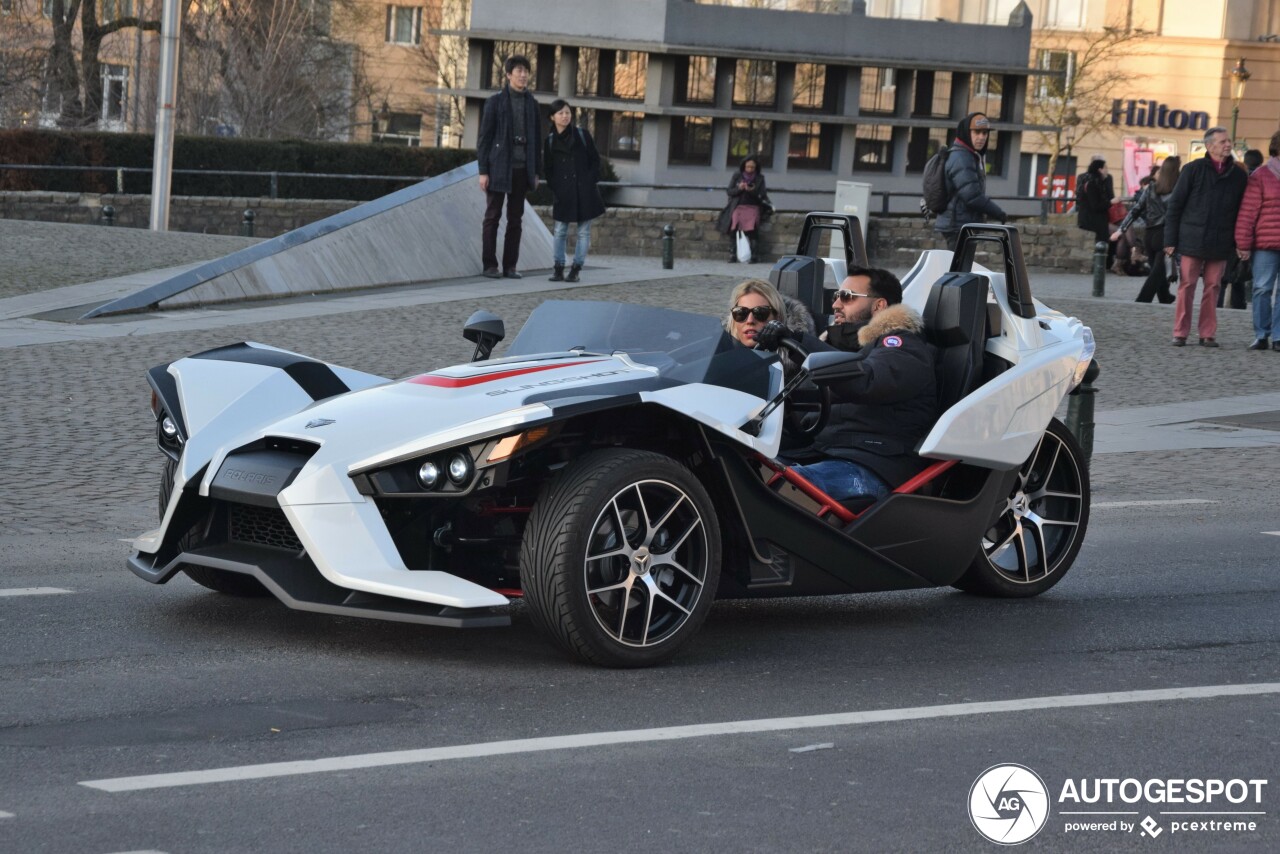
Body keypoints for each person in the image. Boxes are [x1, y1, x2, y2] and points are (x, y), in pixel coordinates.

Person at [753, 267, 938, 502]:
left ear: (879, 305)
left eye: (847, 297)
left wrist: (802, 341)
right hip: (825, 451)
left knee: (780, 486)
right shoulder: (847, 346)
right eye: (835, 297)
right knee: (745, 469)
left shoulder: (902, 345)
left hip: (872, 463)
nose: (836, 304)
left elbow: (868, 380)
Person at [1164, 126, 1248, 347]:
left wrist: (1240, 241)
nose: (1228, 145)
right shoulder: (1193, 169)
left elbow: (1242, 211)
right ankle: (1180, 332)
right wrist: (1170, 240)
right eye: (1222, 142)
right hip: (1192, 237)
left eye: (1229, 141)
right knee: (1187, 284)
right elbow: (1175, 205)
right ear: (1210, 146)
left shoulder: (1238, 175)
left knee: (1213, 286)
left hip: (1221, 240)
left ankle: (1207, 333)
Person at [477, 55, 541, 279]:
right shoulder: (495, 102)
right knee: (492, 215)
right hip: (498, 166)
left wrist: (535, 172)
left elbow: (536, 140)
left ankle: (510, 266)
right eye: (518, 71)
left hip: (522, 168)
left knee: (516, 219)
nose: (523, 75)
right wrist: (483, 171)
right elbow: (484, 138)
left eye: (526, 71)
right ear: (508, 75)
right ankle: (489, 265)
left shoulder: (532, 104)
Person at [543, 99, 606, 283]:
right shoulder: (550, 141)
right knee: (560, 230)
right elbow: (548, 169)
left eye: (568, 113)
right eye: (561, 113)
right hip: (564, 192)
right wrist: (557, 187)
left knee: (584, 232)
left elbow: (595, 160)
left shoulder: (582, 135)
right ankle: (558, 268)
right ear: (552, 117)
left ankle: (576, 269)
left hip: (584, 191)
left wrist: (589, 180)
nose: (565, 116)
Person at [1233, 131, 1280, 351]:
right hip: (1265, 244)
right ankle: (1262, 334)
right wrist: (1243, 243)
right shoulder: (1261, 175)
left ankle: (1279, 337)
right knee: (1262, 288)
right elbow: (1248, 211)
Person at [935, 112, 1006, 251]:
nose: (981, 137)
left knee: (961, 269)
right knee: (958, 271)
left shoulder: (970, 155)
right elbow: (971, 196)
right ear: (967, 133)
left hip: (962, 223)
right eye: (977, 132)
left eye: (985, 133)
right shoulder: (961, 158)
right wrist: (998, 213)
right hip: (957, 225)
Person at [1116, 156, 1180, 303]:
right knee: (1157, 272)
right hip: (1165, 234)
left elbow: (1135, 210)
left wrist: (1121, 229)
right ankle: (1143, 299)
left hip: (1149, 234)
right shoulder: (1177, 190)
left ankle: (1164, 296)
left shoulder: (1151, 187)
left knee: (1158, 269)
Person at [724, 278, 815, 349]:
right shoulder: (718, 350)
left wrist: (793, 340)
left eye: (760, 313)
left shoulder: (798, 353)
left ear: (777, 317)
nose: (750, 320)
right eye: (741, 313)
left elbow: (827, 356)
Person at [716, 156, 771, 264]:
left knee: (752, 230)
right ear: (744, 166)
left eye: (752, 167)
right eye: (748, 167)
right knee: (734, 229)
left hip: (753, 206)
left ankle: (754, 256)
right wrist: (739, 188)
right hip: (738, 206)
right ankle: (732, 255)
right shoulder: (737, 175)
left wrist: (751, 190)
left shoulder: (760, 178)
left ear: (756, 168)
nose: (749, 169)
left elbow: (762, 195)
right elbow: (729, 191)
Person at [1077, 157, 1117, 268]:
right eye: (1106, 168)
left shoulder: (1100, 182)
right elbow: (1095, 206)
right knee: (1113, 235)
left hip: (1097, 218)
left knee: (1115, 234)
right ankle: (1106, 264)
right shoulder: (1092, 184)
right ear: (1100, 169)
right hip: (1091, 219)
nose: (1107, 170)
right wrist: (1111, 202)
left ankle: (1109, 263)